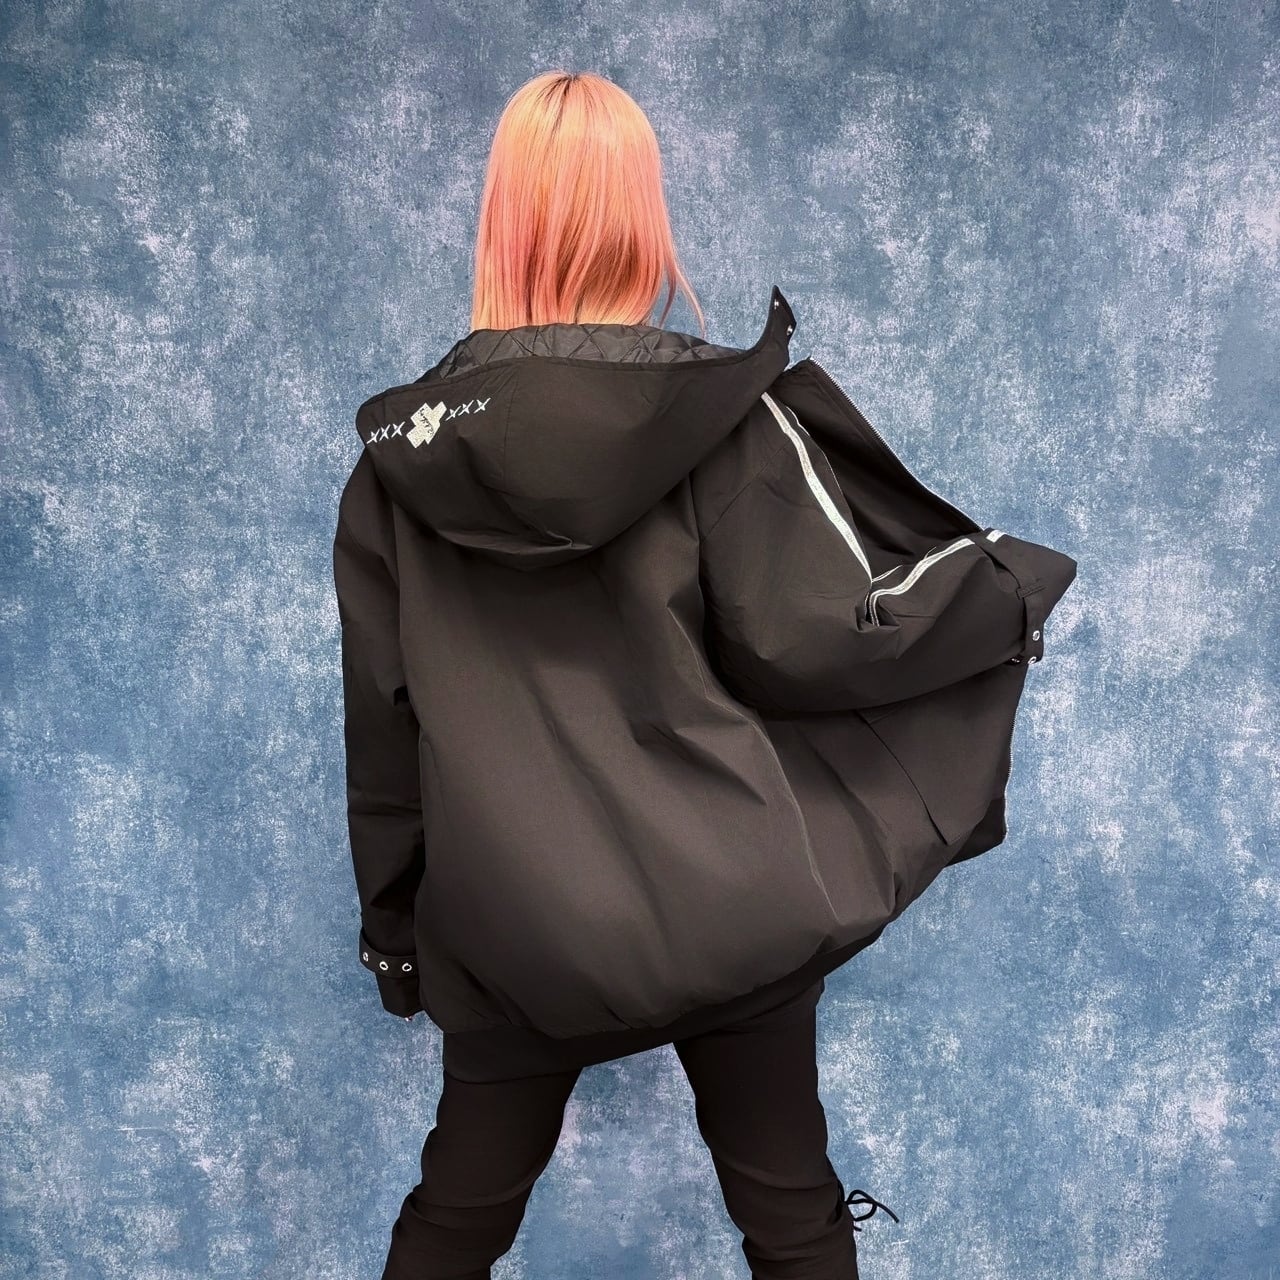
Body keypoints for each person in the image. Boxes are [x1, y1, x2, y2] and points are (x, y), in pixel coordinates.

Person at [334, 68, 1074, 1280]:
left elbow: (384, 726)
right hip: (726, 908)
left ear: (502, 221)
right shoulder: (722, 419)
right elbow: (825, 637)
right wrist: (1004, 590)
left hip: (513, 931)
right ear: (641, 216)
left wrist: (401, 943)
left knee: (456, 1217)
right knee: (788, 1209)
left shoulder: (393, 469)